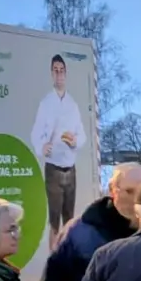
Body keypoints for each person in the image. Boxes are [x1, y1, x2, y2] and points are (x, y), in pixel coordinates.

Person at [31, 53, 86, 239]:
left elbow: (83, 135)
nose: (59, 74)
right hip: (53, 169)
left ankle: (68, 258)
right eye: (55, 70)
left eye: (62, 70)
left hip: (70, 169)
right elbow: (35, 133)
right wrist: (41, 147)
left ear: (66, 74)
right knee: (54, 221)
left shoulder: (73, 105)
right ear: (51, 74)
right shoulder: (46, 104)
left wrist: (75, 141)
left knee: (69, 219)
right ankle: (53, 261)